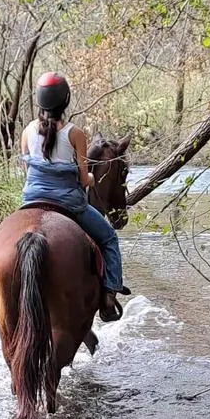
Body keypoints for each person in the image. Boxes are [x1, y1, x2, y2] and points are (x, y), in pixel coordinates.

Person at [19, 71, 129, 315]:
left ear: (39, 100)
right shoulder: (75, 134)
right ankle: (109, 295)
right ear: (65, 100)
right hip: (69, 204)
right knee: (109, 238)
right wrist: (91, 178)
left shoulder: (27, 131)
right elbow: (82, 179)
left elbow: (28, 172)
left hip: (31, 199)